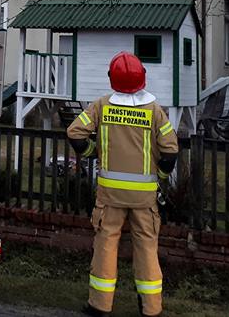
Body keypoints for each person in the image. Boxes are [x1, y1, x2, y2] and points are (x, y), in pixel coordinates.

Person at [67, 51, 180, 317]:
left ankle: (99, 305)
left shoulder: (102, 106)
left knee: (106, 245)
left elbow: (74, 132)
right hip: (144, 198)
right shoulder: (154, 111)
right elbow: (170, 151)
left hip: (110, 195)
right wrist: (160, 179)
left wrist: (92, 151)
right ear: (143, 77)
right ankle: (151, 309)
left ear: (111, 78)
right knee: (147, 248)